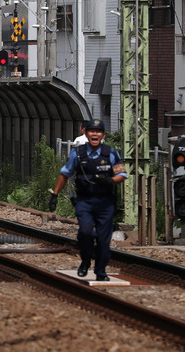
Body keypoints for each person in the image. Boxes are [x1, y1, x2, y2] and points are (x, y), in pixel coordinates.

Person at [48, 118, 126, 282]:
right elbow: (65, 173)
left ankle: (100, 272)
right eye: (92, 131)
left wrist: (110, 181)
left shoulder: (111, 153)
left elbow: (122, 175)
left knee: (104, 240)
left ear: (103, 135)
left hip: (105, 203)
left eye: (98, 132)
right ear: (85, 133)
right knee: (84, 232)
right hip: (85, 201)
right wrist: (54, 195)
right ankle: (85, 260)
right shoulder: (77, 153)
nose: (95, 134)